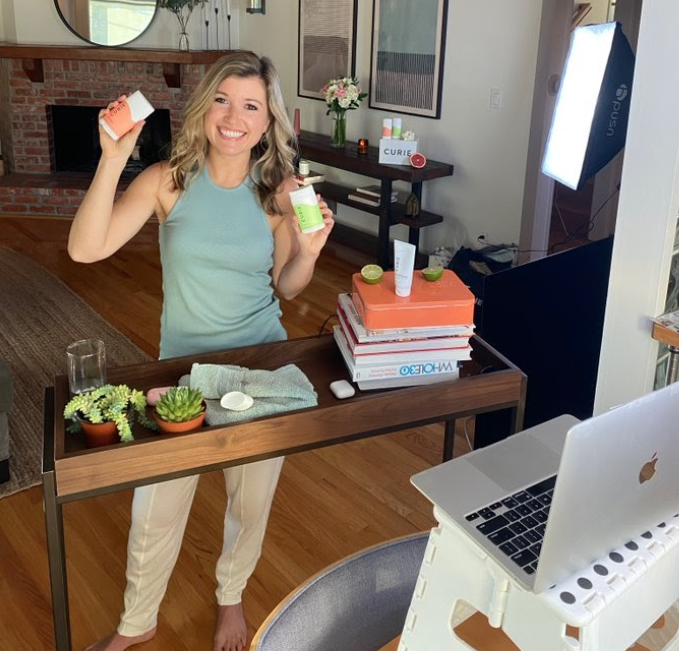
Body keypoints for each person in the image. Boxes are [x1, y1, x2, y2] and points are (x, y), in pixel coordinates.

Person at [68, 51, 334, 651]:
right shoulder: (166, 181)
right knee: (155, 504)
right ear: (204, 107)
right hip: (180, 371)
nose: (233, 118)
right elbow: (85, 250)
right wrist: (112, 159)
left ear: (267, 121)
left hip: (259, 365)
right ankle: (137, 622)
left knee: (251, 499)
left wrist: (309, 252)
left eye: (250, 106)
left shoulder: (277, 194)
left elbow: (288, 286)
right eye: (222, 100)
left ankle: (230, 596)